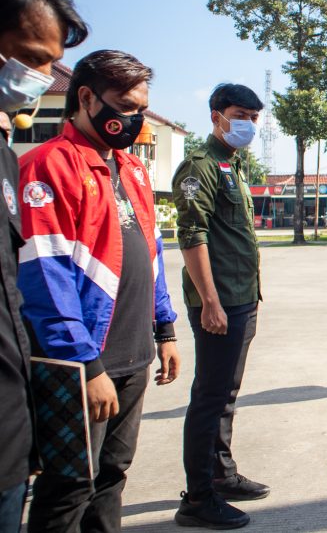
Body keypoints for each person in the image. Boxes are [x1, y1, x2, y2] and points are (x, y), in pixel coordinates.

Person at [18, 50, 179, 532]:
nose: (134, 120)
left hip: (133, 355)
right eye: (125, 107)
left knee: (113, 476)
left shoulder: (132, 170)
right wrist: (86, 365)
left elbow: (150, 252)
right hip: (82, 363)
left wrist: (165, 327)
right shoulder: (49, 167)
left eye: (141, 110)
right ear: (86, 98)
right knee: (69, 487)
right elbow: (47, 278)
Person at [0, 0, 88, 533]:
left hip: (9, 431)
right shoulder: (43, 164)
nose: (38, 79)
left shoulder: (6, 158)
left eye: (51, 65)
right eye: (31, 60)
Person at [172, 84, 265, 530]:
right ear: (216, 116)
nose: (248, 122)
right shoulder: (200, 167)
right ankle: (198, 497)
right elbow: (192, 236)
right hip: (220, 302)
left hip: (241, 296)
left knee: (225, 392)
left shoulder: (232, 165)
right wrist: (210, 301)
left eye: (254, 115)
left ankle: (222, 474)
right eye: (240, 113)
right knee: (209, 397)